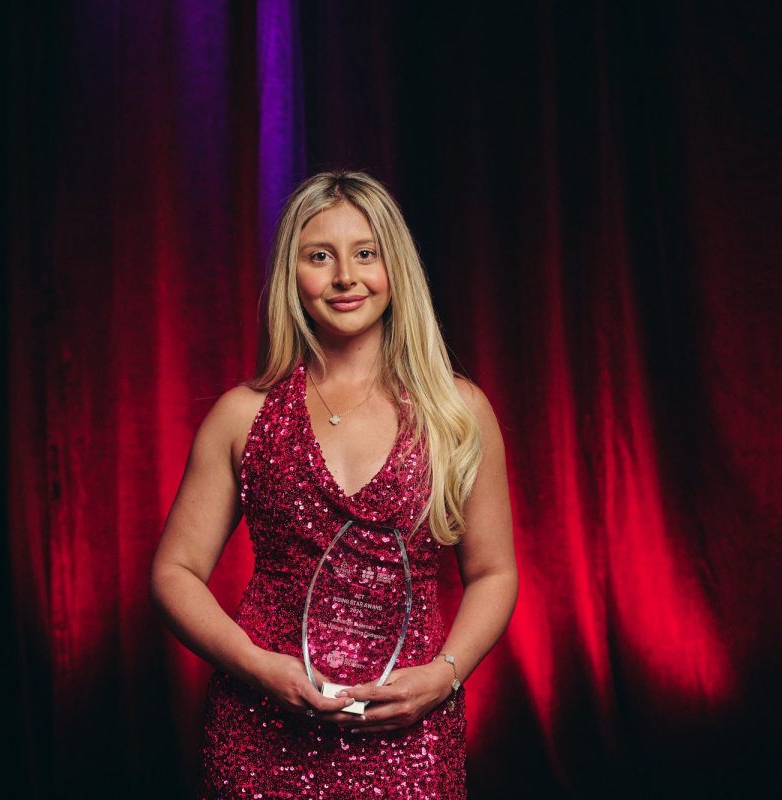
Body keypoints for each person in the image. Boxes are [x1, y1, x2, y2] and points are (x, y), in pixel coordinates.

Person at [150, 170, 517, 798]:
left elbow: (493, 573)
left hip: (411, 737)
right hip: (259, 733)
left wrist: (446, 675)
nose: (345, 276)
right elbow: (173, 572)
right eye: (320, 256)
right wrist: (259, 669)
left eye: (365, 254)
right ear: (292, 276)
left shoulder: (456, 410)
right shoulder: (244, 414)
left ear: (395, 268)